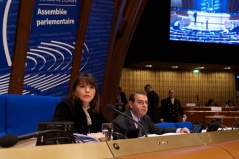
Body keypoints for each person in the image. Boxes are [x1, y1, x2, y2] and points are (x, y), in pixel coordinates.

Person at [112, 91, 190, 139]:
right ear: (131, 104)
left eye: (146, 102)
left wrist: (179, 130)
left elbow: (158, 130)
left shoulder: (146, 117)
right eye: (140, 102)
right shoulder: (119, 122)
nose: (144, 105)